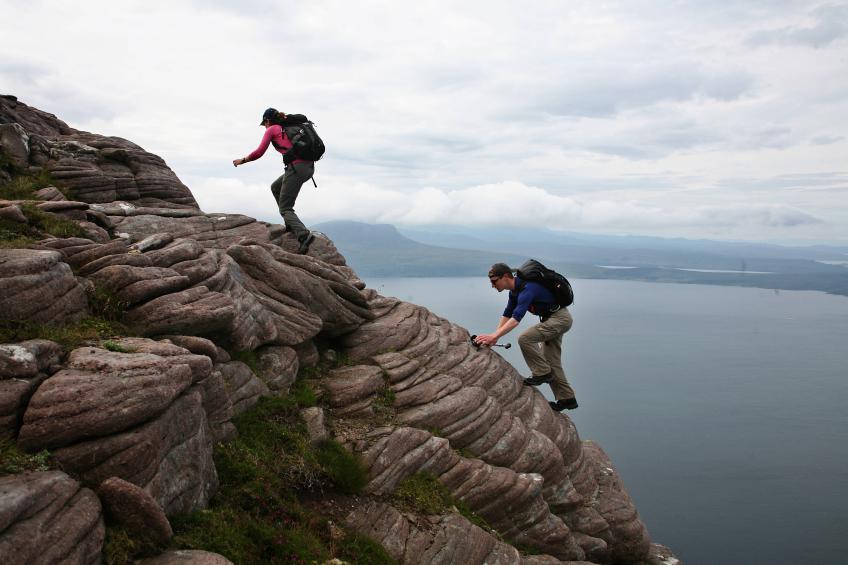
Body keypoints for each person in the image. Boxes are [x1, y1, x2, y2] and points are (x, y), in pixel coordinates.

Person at [475, 262, 578, 411]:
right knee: (551, 360)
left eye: (494, 281)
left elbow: (516, 319)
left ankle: (542, 373)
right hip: (553, 319)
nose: (492, 285)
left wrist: (494, 336)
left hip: (560, 319)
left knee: (525, 338)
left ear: (505, 277)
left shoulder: (528, 288)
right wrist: (494, 336)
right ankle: (567, 399)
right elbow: (507, 313)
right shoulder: (514, 292)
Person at [233, 108, 315, 254]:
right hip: (308, 167)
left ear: (267, 120)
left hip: (296, 168)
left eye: (264, 123)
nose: (264, 126)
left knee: (285, 208)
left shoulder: (272, 130)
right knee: (275, 187)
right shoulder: (287, 126)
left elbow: (259, 152)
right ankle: (290, 224)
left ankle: (304, 235)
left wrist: (242, 160)